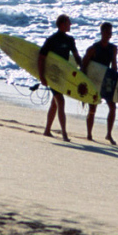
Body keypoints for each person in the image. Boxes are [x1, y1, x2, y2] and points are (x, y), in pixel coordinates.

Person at [38, 14, 81, 142]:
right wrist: (42, 76)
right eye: (68, 22)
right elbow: (41, 58)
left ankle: (47, 130)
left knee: (55, 103)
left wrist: (82, 70)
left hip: (63, 75)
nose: (71, 25)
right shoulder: (51, 40)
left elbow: (76, 55)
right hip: (52, 75)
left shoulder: (70, 40)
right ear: (62, 24)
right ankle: (64, 134)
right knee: (60, 102)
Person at [81, 21, 118, 145]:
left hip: (106, 81)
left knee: (112, 107)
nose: (109, 34)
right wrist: (85, 83)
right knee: (92, 108)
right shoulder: (93, 49)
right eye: (107, 32)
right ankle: (89, 134)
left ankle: (108, 134)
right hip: (95, 81)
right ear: (101, 33)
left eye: (110, 32)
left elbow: (114, 66)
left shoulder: (113, 49)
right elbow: (83, 66)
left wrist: (115, 82)